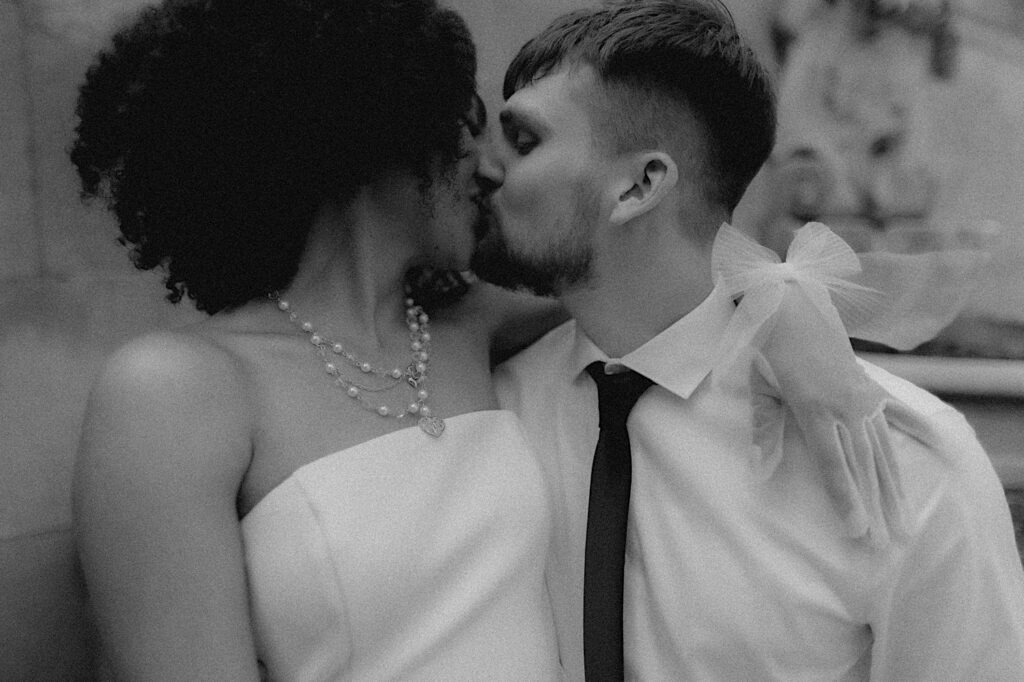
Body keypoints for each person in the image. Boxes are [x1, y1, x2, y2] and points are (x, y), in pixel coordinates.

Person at [473, 0, 1024, 679]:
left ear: (641, 185)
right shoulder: (480, 403)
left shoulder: (911, 468)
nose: (484, 169)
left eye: (524, 142)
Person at [69, 0, 566, 679]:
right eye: (462, 125)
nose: (487, 169)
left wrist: (766, 315)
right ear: (373, 129)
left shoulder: (475, 325)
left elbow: (674, 292)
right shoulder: (174, 389)